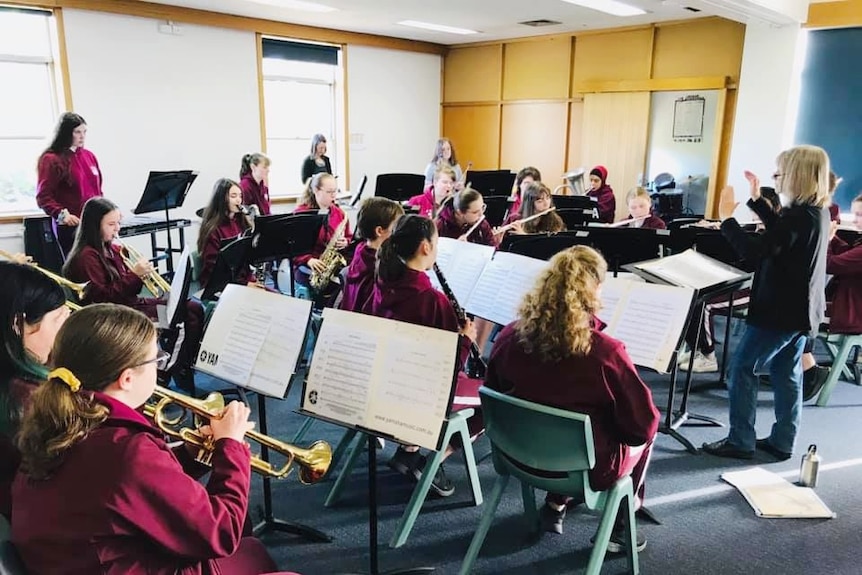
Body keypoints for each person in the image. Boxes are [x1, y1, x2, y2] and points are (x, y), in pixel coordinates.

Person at [11, 304, 298, 575]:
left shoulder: (60, 423)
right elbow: (221, 532)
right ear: (126, 379)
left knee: (254, 551)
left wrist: (190, 453)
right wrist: (232, 448)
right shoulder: (127, 449)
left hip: (93, 560)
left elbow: (129, 492)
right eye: (156, 360)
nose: (159, 366)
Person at [486, 246, 658, 551]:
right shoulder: (606, 352)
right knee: (646, 428)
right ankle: (620, 521)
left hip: (516, 455)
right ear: (595, 291)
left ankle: (554, 506)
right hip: (584, 470)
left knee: (558, 415)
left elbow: (494, 393)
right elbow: (641, 428)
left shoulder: (508, 336)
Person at [702, 145, 830, 461]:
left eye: (779, 173)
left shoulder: (798, 217)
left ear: (797, 176)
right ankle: (783, 441)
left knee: (742, 368)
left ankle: (740, 439)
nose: (777, 178)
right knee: (786, 372)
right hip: (802, 310)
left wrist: (726, 220)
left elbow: (755, 251)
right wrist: (758, 200)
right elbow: (783, 236)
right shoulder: (816, 212)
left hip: (779, 312)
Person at [370, 214, 483, 497]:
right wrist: (466, 339)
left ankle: (408, 447)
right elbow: (448, 366)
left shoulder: (384, 281)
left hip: (386, 382)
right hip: (422, 392)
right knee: (491, 401)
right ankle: (431, 459)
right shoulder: (431, 299)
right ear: (425, 247)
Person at [0, 262, 69, 521]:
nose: (62, 334)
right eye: (57, 321)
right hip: (42, 524)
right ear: (19, 324)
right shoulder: (30, 398)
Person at [62, 197, 160, 318]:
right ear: (95, 226)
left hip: (129, 305)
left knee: (182, 305)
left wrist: (140, 277)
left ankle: (169, 332)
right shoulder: (87, 257)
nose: (117, 228)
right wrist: (134, 275)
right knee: (181, 310)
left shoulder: (114, 249)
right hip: (114, 315)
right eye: (111, 224)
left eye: (118, 223)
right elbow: (104, 299)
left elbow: (129, 292)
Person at [36, 112, 104, 255]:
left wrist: (107, 213)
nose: (82, 136)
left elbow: (98, 191)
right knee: (78, 270)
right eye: (77, 132)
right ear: (66, 133)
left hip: (94, 224)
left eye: (84, 131)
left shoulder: (89, 156)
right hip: (71, 227)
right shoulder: (51, 159)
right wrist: (62, 215)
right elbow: (43, 197)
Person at [293, 172, 353, 300]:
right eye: (329, 191)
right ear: (316, 190)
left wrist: (346, 241)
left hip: (330, 263)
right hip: (308, 266)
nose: (334, 195)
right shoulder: (301, 214)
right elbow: (292, 246)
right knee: (339, 287)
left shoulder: (339, 213)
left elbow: (348, 236)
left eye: (335, 191)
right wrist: (308, 260)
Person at [340, 197, 403, 313]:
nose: (400, 231)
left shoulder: (362, 249)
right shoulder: (380, 267)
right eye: (396, 227)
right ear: (379, 231)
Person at [197, 178, 253, 291]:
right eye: (233, 196)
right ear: (221, 199)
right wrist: (245, 284)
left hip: (240, 282)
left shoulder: (241, 223)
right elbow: (214, 268)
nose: (239, 200)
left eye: (240, 196)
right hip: (221, 287)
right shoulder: (213, 229)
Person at [497, 181, 564, 237]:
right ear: (530, 204)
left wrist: (524, 236)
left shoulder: (555, 221)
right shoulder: (514, 218)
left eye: (548, 198)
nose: (546, 203)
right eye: (540, 201)